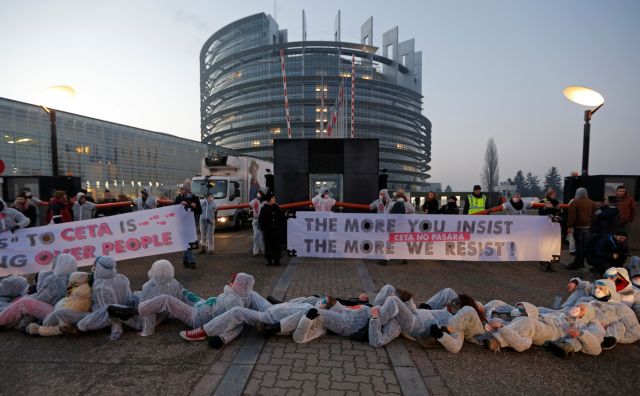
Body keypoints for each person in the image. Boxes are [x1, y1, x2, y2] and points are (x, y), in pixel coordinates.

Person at [0, 254, 77, 330]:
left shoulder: (55, 279)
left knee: (24, 302)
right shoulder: (75, 278)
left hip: (55, 312)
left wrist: (31, 297)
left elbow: (43, 299)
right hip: (67, 312)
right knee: (22, 300)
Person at [75, 256, 133, 340]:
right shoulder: (122, 277)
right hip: (128, 314)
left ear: (98, 267)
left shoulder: (101, 285)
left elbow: (110, 311)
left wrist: (116, 332)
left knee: (81, 322)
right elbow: (129, 298)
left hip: (110, 319)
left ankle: (78, 329)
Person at [26, 272, 92, 336]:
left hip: (68, 311)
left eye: (71, 281)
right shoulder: (75, 287)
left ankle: (42, 330)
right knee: (52, 320)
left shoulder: (83, 289)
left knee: (54, 319)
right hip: (65, 310)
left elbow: (43, 298)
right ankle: (46, 328)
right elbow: (68, 295)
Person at [565, 187, 596, 270]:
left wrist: (570, 226)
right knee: (585, 247)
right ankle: (581, 263)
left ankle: (576, 263)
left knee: (579, 247)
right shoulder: (592, 202)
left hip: (578, 228)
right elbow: (594, 216)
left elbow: (572, 216)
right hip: (588, 228)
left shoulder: (575, 202)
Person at [175, 183, 202, 269]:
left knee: (187, 242)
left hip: (191, 223)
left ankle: (185, 260)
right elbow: (173, 210)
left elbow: (200, 211)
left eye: (185, 189)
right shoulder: (178, 198)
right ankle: (191, 260)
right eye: (182, 189)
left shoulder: (194, 198)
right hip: (181, 223)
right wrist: (180, 204)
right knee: (186, 242)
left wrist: (195, 206)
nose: (183, 191)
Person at [258, 192, 285, 266]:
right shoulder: (264, 209)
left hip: (276, 231)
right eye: (273, 198)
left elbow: (281, 217)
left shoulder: (276, 207)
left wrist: (280, 226)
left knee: (277, 245)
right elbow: (261, 220)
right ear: (269, 199)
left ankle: (277, 260)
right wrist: (264, 229)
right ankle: (269, 260)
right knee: (268, 245)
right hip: (268, 231)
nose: (275, 199)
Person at [249, 190, 265, 256]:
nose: (258, 194)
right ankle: (256, 251)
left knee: (263, 236)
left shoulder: (265, 202)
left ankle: (263, 250)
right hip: (256, 220)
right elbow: (250, 206)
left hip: (263, 220)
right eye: (258, 193)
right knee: (256, 236)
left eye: (259, 193)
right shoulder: (254, 201)